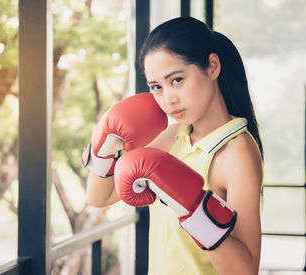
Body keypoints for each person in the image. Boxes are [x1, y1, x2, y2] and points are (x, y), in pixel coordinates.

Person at [84, 16, 263, 275]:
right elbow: (98, 197)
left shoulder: (237, 153)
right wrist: (107, 141)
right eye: (156, 87)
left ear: (212, 66)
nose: (168, 99)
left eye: (177, 80)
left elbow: (245, 272)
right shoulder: (174, 137)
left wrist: (195, 210)